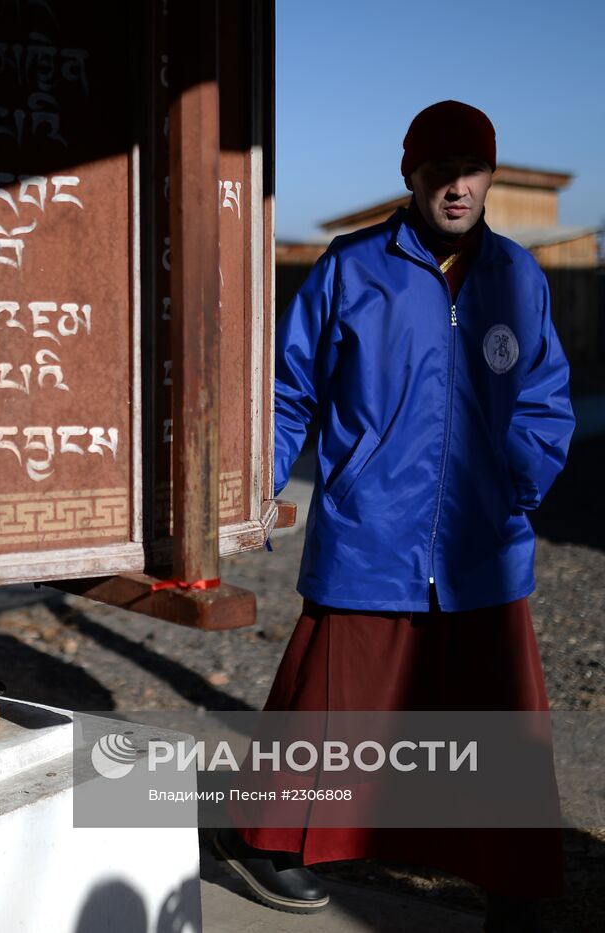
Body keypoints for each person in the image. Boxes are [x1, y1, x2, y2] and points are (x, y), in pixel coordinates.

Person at [214, 100, 576, 932]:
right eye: (439, 169)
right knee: (335, 707)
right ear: (410, 173)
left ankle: (509, 878)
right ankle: (269, 843)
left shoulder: (518, 276)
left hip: (483, 549)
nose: (457, 186)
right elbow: (286, 391)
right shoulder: (351, 268)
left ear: (492, 174)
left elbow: (546, 401)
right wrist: (259, 487)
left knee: (496, 719)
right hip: (369, 532)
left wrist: (513, 487)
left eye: (472, 169)